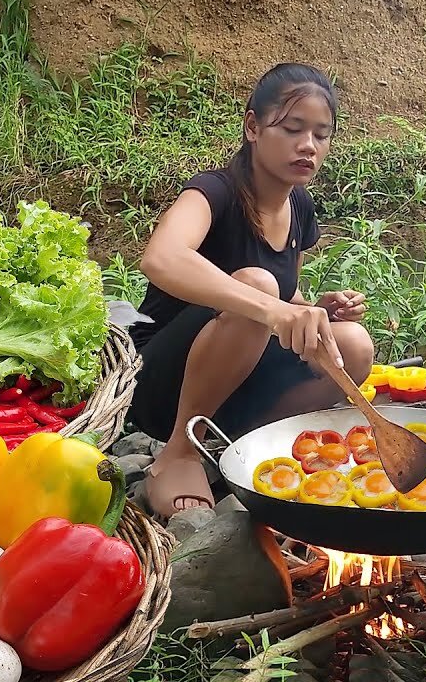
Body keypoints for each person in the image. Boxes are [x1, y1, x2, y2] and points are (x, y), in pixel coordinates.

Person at [128, 62, 376, 519]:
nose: (308, 146)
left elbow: (286, 296)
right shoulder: (213, 192)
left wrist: (313, 310)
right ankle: (179, 453)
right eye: (293, 128)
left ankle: (242, 449)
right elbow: (160, 259)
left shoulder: (299, 205)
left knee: (354, 346)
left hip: (237, 382)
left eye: (322, 135)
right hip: (163, 382)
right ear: (252, 126)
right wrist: (272, 307)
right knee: (256, 288)